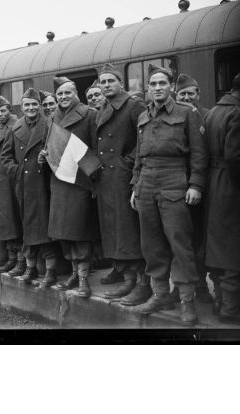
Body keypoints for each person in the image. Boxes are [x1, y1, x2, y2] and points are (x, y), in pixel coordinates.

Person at [130, 64, 208, 325]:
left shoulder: (188, 113)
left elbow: (199, 154)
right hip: (146, 183)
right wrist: (135, 186)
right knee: (151, 244)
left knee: (179, 243)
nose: (157, 88)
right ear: (148, 89)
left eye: (162, 83)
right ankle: (161, 294)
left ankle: (187, 301)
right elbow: (139, 157)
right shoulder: (143, 117)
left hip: (175, 179)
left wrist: (196, 185)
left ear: (171, 87)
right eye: (153, 84)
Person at [95, 64, 151, 305]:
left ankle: (140, 283)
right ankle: (127, 277)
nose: (106, 85)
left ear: (121, 83)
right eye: (103, 81)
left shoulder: (133, 104)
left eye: (110, 81)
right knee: (114, 229)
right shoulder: (104, 106)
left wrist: (126, 162)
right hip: (107, 178)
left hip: (123, 177)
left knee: (128, 230)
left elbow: (145, 138)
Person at [204, 66, 240, 323]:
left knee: (217, 245)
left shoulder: (214, 111)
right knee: (235, 246)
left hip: (213, 183)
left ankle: (220, 303)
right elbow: (237, 158)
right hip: (232, 188)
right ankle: (230, 310)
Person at [46, 77, 99, 296]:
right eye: (60, 94)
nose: (64, 97)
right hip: (60, 180)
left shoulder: (89, 114)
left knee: (81, 233)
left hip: (81, 182)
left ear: (76, 93)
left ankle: (84, 278)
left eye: (68, 93)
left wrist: (94, 181)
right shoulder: (52, 118)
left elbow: (96, 149)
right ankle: (75, 274)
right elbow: (48, 145)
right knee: (64, 233)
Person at [2, 89, 55, 285]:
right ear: (22, 107)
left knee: (45, 226)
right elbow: (5, 157)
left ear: (40, 106)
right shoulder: (15, 128)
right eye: (27, 105)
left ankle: (50, 270)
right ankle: (31, 267)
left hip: (44, 184)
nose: (31, 108)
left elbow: (57, 151)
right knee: (27, 225)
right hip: (23, 185)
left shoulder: (49, 125)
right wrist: (16, 171)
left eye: (34, 104)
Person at [174, 73, 212, 304]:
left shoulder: (208, 116)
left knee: (199, 239)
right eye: (182, 94)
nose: (187, 97)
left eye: (190, 93)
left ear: (198, 94)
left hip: (201, 187)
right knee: (178, 239)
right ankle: (179, 287)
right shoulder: (173, 115)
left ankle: (202, 286)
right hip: (176, 186)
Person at [0, 96, 23, 274]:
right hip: (2, 181)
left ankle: (20, 260)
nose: (0, 114)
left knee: (16, 219)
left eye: (3, 110)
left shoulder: (15, 126)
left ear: (10, 109)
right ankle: (11, 258)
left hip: (13, 179)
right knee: (7, 220)